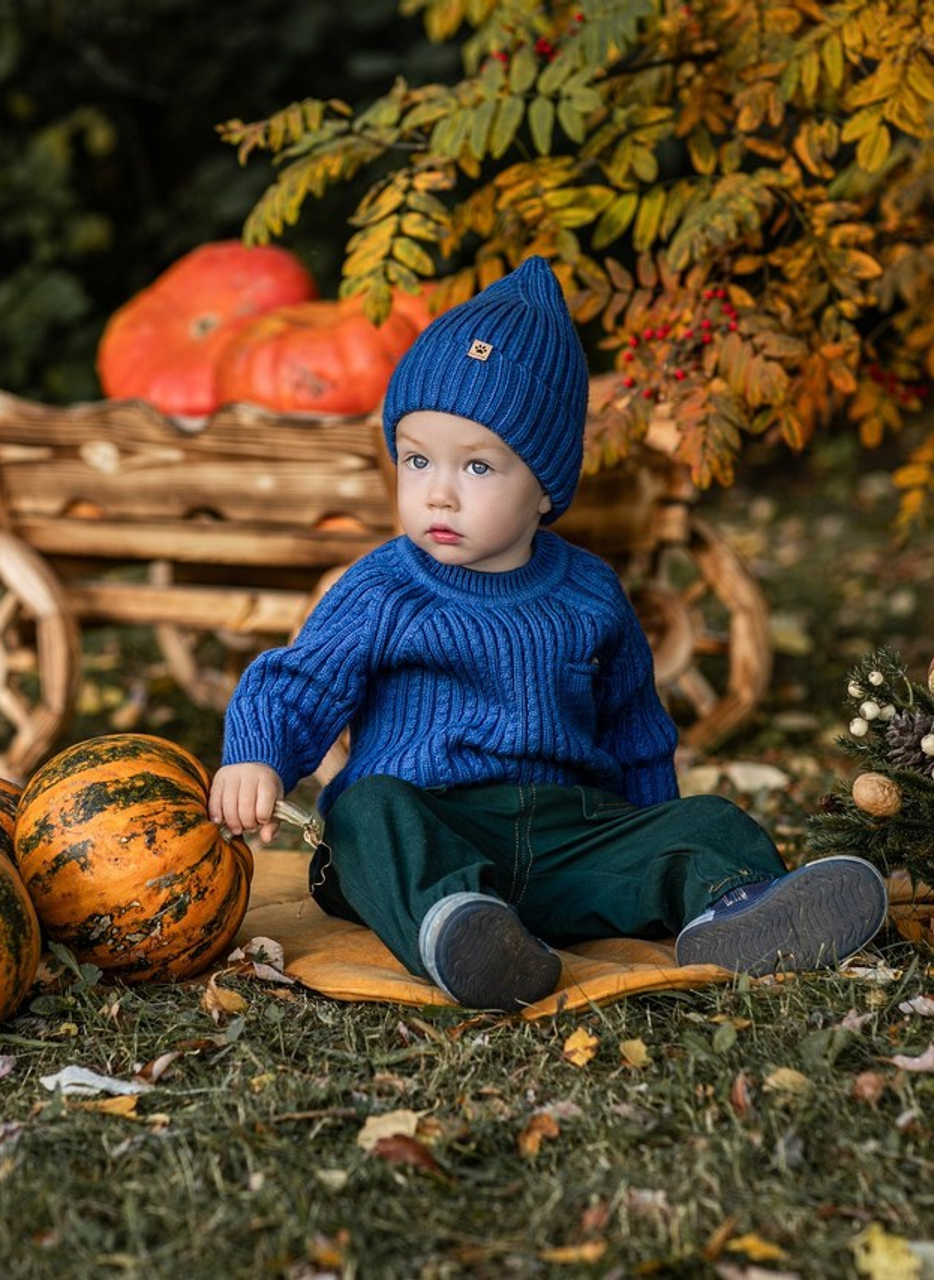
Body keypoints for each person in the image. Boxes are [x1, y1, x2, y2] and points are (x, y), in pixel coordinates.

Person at [207, 256, 887, 1011]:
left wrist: (652, 826)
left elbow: (635, 729)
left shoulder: (591, 593)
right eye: (418, 459)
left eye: (478, 468)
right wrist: (258, 756)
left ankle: (737, 908)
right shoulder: (383, 587)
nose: (438, 493)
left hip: (569, 838)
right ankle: (459, 929)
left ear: (544, 489)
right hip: (431, 824)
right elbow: (299, 681)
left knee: (710, 821)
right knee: (364, 813)